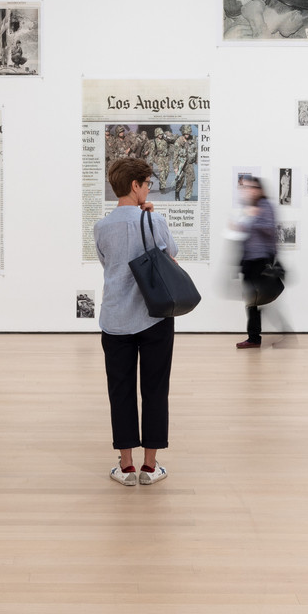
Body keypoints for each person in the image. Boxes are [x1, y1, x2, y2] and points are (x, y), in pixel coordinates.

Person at [91, 157, 177, 487]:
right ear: (134, 186)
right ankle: (150, 466)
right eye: (148, 184)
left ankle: (126, 467)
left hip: (115, 319)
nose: (149, 189)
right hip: (154, 316)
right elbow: (171, 256)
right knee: (155, 390)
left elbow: (106, 264)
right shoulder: (155, 221)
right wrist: (151, 220)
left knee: (121, 390)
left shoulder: (101, 227)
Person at [237, 176, 279, 349]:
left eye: (254, 188)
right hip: (249, 261)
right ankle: (254, 337)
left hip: (260, 261)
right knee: (252, 301)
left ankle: (255, 338)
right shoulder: (251, 207)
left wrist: (255, 218)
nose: (250, 191)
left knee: (256, 301)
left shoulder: (265, 206)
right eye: (249, 188)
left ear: (260, 190)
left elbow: (270, 229)